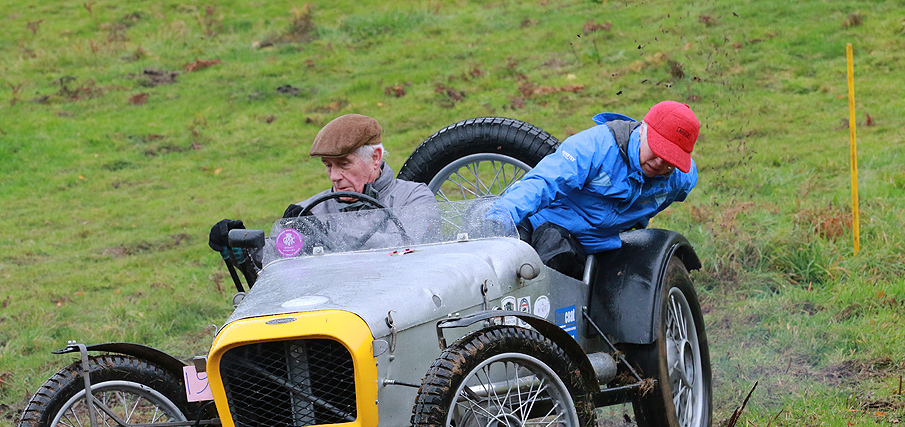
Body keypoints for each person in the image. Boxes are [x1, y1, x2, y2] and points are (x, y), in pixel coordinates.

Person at [490, 100, 700, 278]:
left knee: (558, 252)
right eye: (657, 149)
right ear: (643, 128)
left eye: (670, 159)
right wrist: (503, 214)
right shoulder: (594, 147)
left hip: (586, 246)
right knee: (516, 260)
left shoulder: (681, 180)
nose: (659, 163)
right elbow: (544, 181)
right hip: (536, 223)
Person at [208, 114, 437, 253]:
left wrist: (323, 234)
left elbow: (407, 246)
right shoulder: (312, 210)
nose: (334, 176)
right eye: (328, 165)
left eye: (344, 164)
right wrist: (241, 246)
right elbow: (276, 263)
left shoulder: (414, 197)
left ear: (375, 158)